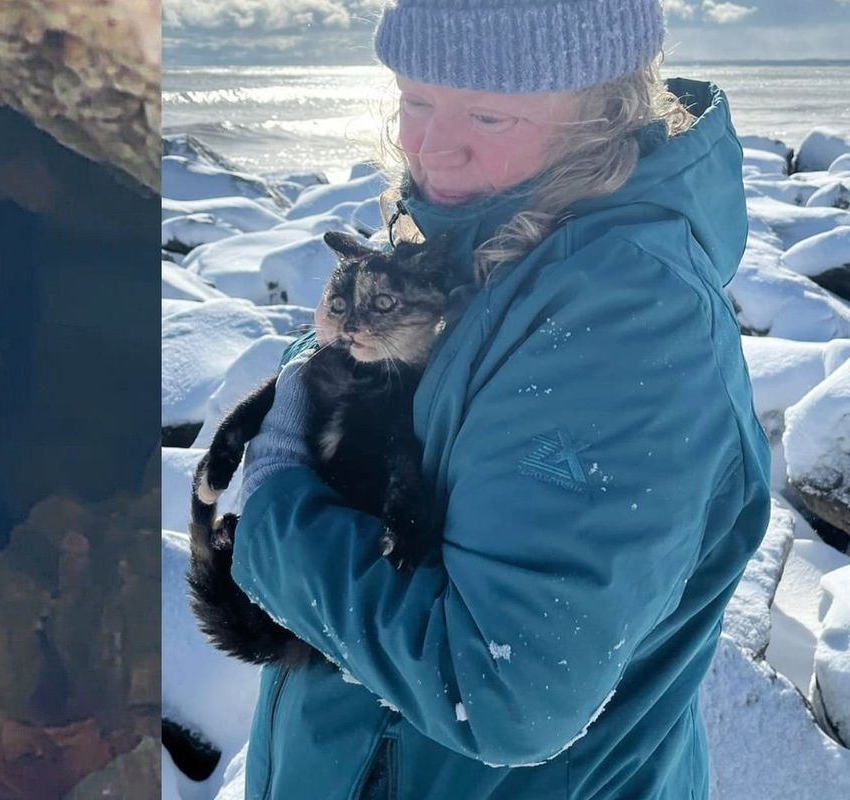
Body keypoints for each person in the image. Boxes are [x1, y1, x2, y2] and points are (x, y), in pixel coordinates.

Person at [228, 1, 772, 797]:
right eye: (415, 98)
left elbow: (500, 691)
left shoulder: (623, 317)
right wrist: (326, 362)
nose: (428, 146)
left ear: (601, 108)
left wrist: (275, 498)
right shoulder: (483, 227)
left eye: (488, 112)